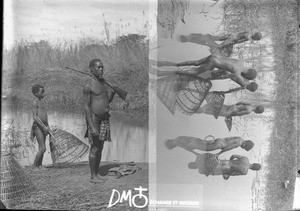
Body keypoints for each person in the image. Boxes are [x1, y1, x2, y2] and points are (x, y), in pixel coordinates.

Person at [83, 59, 116, 183]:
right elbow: (86, 106)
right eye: (98, 67)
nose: (101, 69)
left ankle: (96, 173)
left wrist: (112, 93)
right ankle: (93, 177)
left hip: (104, 118)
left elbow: (105, 102)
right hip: (94, 118)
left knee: (101, 146)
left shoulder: (103, 84)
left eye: (102, 67)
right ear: (91, 69)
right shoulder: (88, 85)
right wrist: (91, 126)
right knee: (95, 147)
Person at [151, 54, 258, 92]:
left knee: (195, 62)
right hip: (213, 63)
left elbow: (231, 62)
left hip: (215, 56)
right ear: (247, 76)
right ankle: (159, 73)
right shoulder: (237, 73)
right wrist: (209, 79)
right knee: (193, 73)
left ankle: (162, 64)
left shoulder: (241, 63)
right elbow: (226, 76)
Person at [178, 31, 262, 57]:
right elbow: (238, 41)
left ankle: (201, 37)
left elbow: (239, 33)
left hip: (232, 34)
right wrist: (230, 44)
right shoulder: (248, 38)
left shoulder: (248, 31)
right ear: (256, 38)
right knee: (219, 46)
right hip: (232, 38)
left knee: (218, 38)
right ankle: (202, 39)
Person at [188, 153, 261, 179]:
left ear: (254, 163)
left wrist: (230, 161)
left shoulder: (246, 159)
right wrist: (227, 175)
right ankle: (195, 166)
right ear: (254, 169)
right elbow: (233, 174)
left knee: (210, 162)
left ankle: (194, 164)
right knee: (210, 171)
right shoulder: (245, 172)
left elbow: (234, 155)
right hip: (225, 169)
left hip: (226, 162)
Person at [30, 84, 51, 171]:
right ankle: (34, 166)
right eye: (41, 92)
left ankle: (40, 165)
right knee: (43, 148)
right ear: (36, 93)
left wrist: (47, 126)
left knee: (41, 147)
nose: (43, 93)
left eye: (43, 92)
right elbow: (35, 117)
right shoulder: (35, 102)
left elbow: (45, 116)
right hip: (38, 127)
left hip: (44, 127)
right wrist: (43, 126)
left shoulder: (42, 102)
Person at [165, 136, 254, 154]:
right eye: (244, 147)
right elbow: (228, 148)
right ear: (246, 144)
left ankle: (178, 141)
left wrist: (214, 140)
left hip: (219, 140)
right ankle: (177, 143)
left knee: (200, 142)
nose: (242, 148)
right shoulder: (239, 143)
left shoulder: (239, 138)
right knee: (201, 147)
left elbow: (227, 138)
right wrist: (219, 154)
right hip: (220, 145)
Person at [197, 101, 264, 117]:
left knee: (215, 107)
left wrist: (235, 106)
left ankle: (198, 108)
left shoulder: (251, 104)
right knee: (213, 112)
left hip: (233, 106)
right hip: (232, 111)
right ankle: (198, 110)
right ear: (257, 112)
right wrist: (230, 115)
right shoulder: (249, 111)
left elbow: (241, 102)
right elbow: (238, 113)